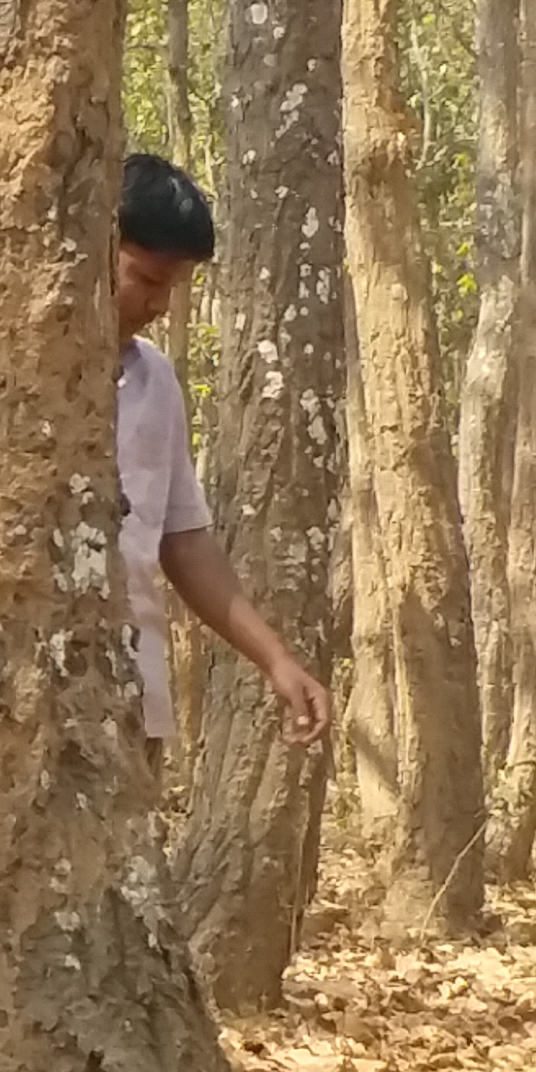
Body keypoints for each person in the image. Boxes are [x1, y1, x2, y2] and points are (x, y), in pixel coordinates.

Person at [109, 154, 334, 767]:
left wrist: (276, 659)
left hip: (132, 701)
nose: (159, 304)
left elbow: (183, 540)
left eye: (173, 287)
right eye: (146, 280)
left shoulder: (157, 382)